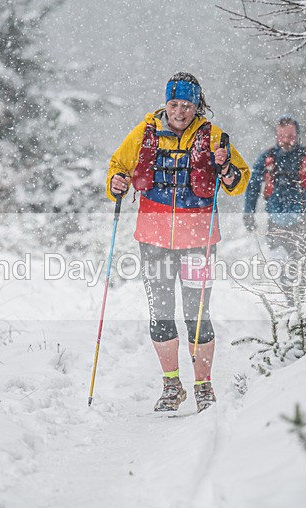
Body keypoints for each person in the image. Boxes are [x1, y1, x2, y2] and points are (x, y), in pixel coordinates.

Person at [106, 72, 249, 413]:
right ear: (165, 104)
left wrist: (226, 169)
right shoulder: (145, 134)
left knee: (197, 312)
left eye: (187, 105)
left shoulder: (214, 137)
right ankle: (172, 385)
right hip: (153, 238)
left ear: (197, 106)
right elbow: (117, 166)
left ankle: (203, 386)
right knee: (161, 313)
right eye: (174, 104)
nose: (180, 112)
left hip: (198, 239)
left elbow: (238, 181)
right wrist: (115, 182)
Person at [243, 114, 306, 302]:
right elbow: (253, 187)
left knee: (299, 267)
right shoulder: (268, 158)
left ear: (297, 136)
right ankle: (292, 305)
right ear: (276, 136)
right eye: (282, 136)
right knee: (283, 268)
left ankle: (301, 307)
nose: (286, 140)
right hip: (276, 224)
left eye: (290, 136)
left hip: (302, 223)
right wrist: (248, 213)